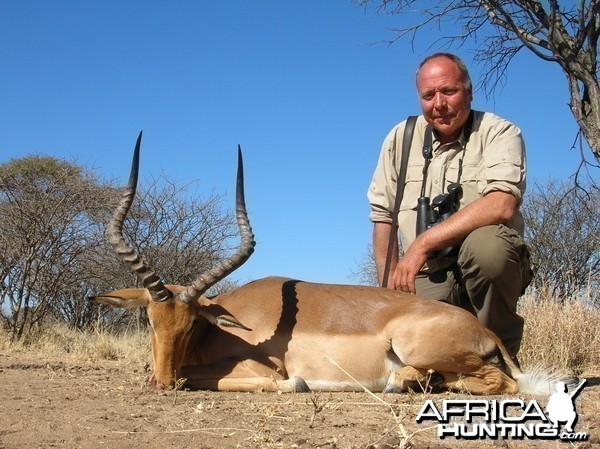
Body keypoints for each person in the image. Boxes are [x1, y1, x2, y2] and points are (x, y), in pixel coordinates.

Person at [367, 53, 532, 360]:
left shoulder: (499, 131)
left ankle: (499, 358)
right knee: (411, 351)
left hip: (479, 264)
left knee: (489, 247)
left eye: (449, 91)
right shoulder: (400, 138)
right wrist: (387, 290)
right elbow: (383, 216)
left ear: (469, 92)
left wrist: (421, 244)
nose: (438, 104)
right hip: (429, 272)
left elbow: (501, 204)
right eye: (428, 96)